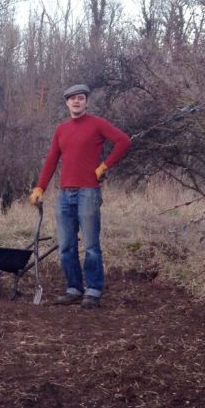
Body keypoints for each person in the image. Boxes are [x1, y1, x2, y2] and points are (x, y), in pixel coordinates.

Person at [29, 84, 132, 308]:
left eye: (80, 98)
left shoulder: (97, 124)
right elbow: (51, 161)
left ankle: (93, 290)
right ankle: (74, 288)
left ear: (86, 101)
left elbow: (124, 141)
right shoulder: (62, 130)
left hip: (88, 192)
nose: (76, 102)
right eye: (72, 99)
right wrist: (40, 187)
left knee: (91, 245)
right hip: (65, 194)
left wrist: (105, 165)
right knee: (66, 245)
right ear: (67, 103)